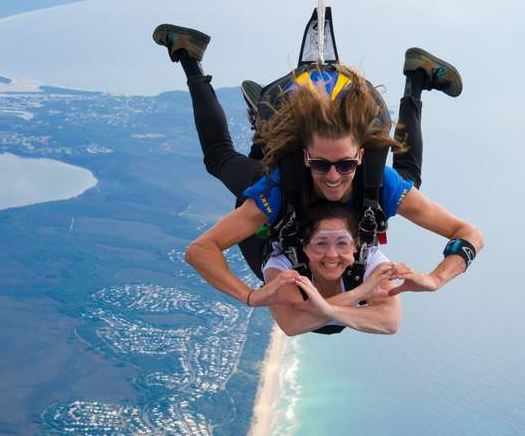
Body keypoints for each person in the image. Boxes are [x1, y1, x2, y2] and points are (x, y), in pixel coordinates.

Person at [152, 23, 483, 331]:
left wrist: (437, 279)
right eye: (322, 164)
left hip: (298, 213)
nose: (334, 176)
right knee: (221, 159)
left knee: (406, 180)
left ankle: (416, 80)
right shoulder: (280, 187)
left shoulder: (377, 180)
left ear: (360, 157)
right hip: (282, 208)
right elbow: (201, 250)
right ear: (307, 156)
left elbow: (469, 235)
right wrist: (250, 296)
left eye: (346, 165)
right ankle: (190, 59)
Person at [265, 201, 403, 336]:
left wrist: (328, 310)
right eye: (321, 243)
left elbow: (390, 322)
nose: (332, 255)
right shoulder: (282, 265)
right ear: (305, 246)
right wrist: (359, 293)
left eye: (342, 243)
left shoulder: (370, 260)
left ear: (355, 245)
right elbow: (291, 325)